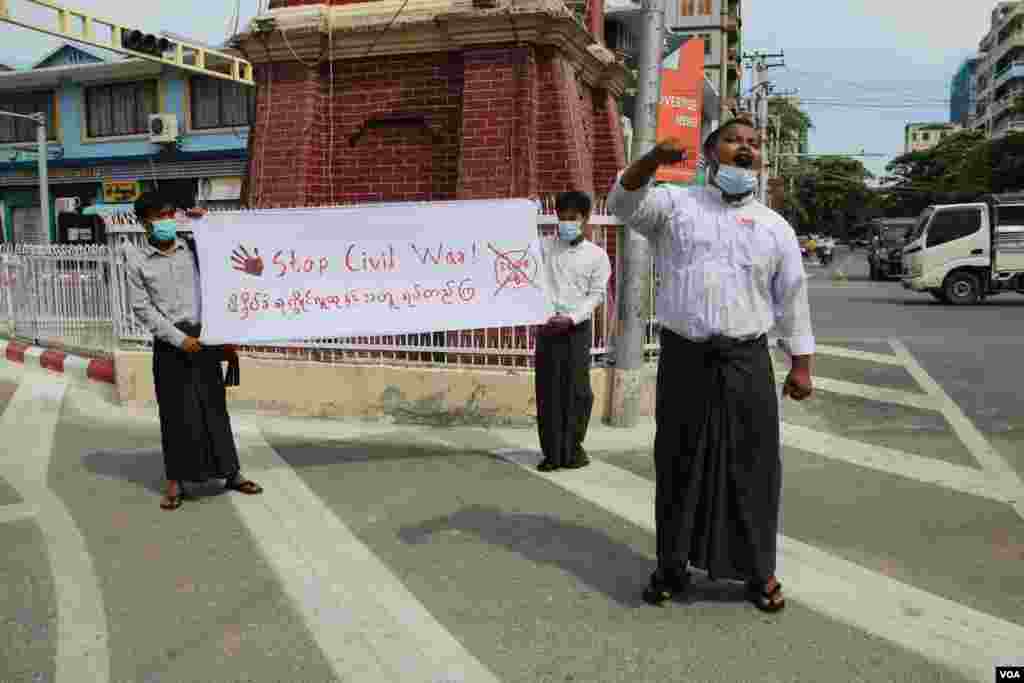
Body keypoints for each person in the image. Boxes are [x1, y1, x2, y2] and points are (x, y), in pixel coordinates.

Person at [607, 117, 815, 612]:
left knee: (754, 471)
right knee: (679, 465)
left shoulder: (774, 227)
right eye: (733, 140)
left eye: (753, 144)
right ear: (709, 152)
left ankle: (758, 572)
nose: (745, 149)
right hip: (686, 358)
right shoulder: (675, 206)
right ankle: (671, 567)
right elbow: (622, 202)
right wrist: (655, 159)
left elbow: (792, 299)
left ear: (758, 160)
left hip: (747, 362)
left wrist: (801, 364)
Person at [125, 191, 263, 510]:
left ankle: (231, 472)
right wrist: (178, 338)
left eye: (170, 214)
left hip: (206, 336)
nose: (166, 222)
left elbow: (224, 272)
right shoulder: (137, 261)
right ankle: (175, 481)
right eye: (159, 217)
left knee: (214, 408)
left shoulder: (195, 249)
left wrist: (209, 223)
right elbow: (142, 308)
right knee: (176, 413)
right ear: (144, 222)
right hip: (171, 344)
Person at [534, 190, 612, 472]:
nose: (567, 222)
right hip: (546, 327)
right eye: (562, 217)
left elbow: (597, 295)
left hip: (576, 328)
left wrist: (572, 318)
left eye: (573, 218)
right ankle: (552, 453)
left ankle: (573, 449)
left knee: (578, 391)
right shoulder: (542, 247)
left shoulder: (597, 256)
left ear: (585, 219)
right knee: (548, 390)